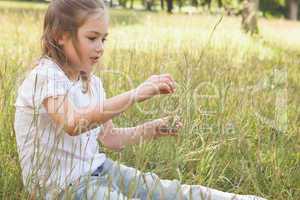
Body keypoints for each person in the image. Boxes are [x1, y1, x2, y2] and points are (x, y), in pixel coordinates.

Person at [14, 0, 267, 199]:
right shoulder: (46, 76)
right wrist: (134, 94)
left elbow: (110, 138)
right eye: (92, 38)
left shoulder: (91, 82)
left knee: (170, 192)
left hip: (99, 169)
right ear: (61, 35)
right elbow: (72, 123)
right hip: (63, 190)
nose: (100, 47)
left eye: (104, 39)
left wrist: (150, 129)